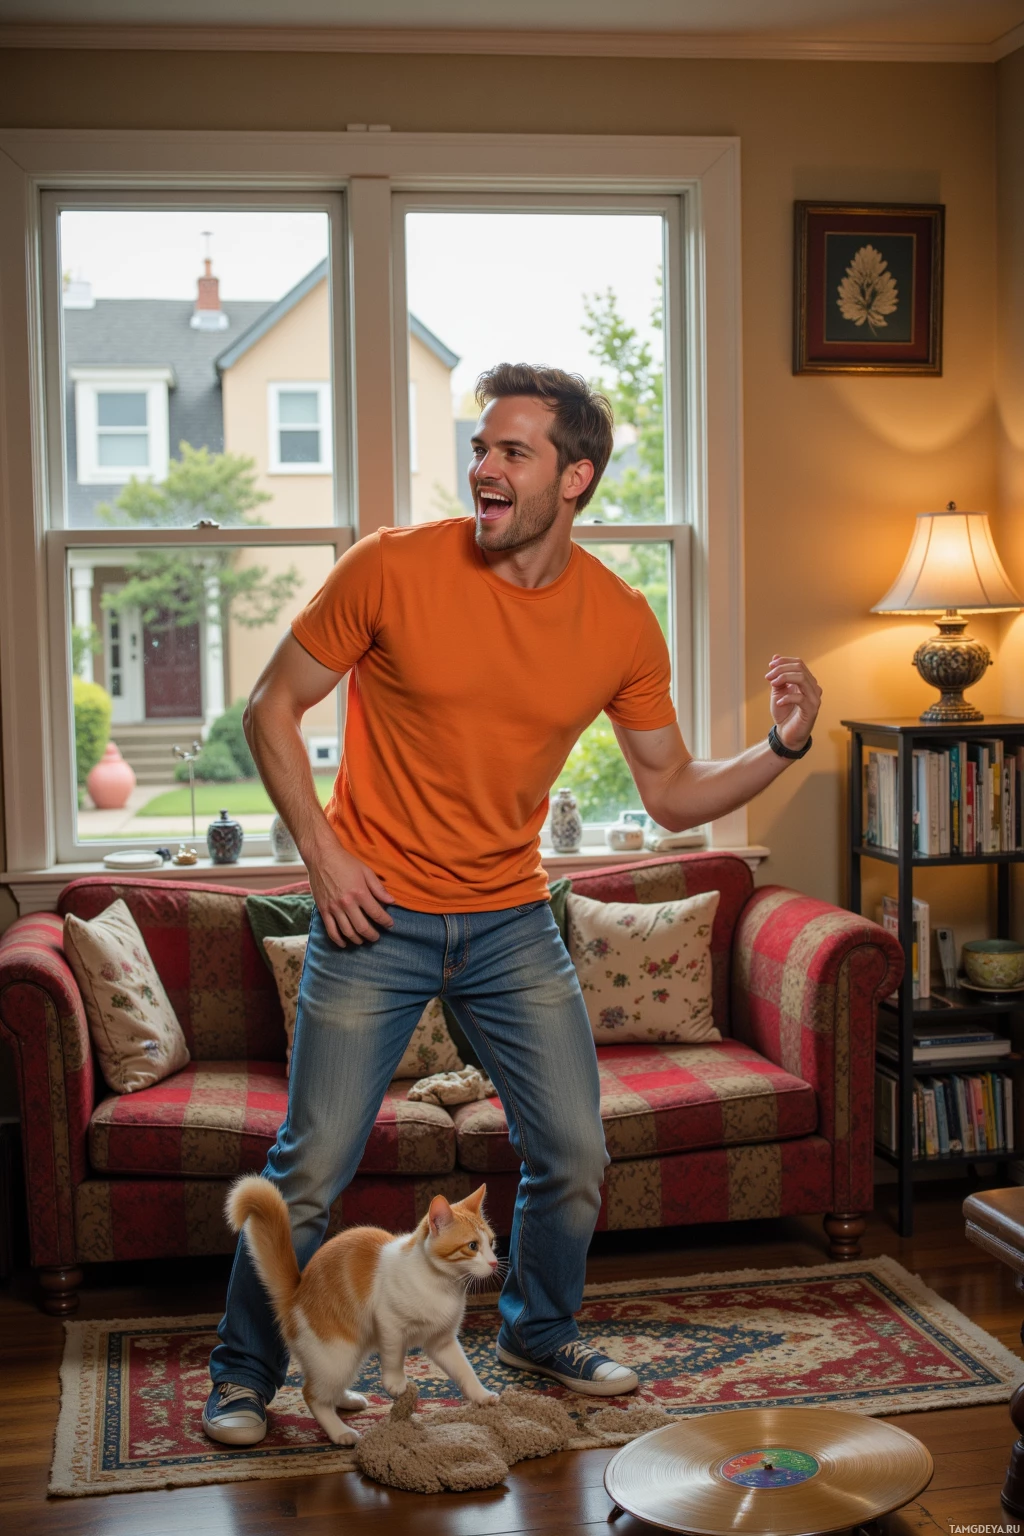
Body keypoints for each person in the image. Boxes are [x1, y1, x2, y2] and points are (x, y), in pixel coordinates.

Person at [203, 362, 821, 1445]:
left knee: (575, 1153)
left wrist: (782, 745)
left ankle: (538, 1331)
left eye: (511, 451)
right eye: (480, 448)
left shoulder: (618, 620)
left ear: (574, 478)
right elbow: (270, 706)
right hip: (376, 919)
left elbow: (671, 790)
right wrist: (325, 859)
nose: (482, 467)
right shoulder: (390, 567)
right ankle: (244, 1374)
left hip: (510, 923)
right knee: (310, 1168)